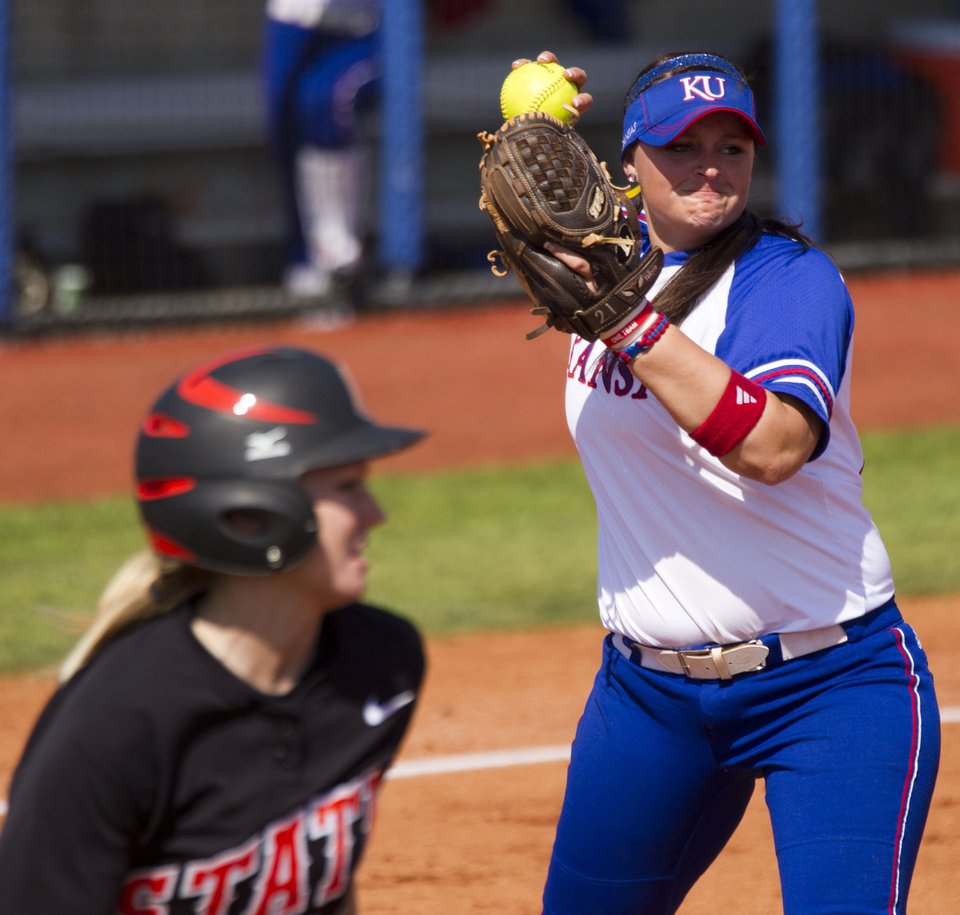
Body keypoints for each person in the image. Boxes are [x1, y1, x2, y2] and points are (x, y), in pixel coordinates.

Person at [517, 51, 941, 914]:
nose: (710, 166)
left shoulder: (789, 278)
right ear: (629, 162)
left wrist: (628, 322)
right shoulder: (599, 263)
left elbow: (775, 445)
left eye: (732, 146)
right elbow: (533, 185)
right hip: (646, 700)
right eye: (681, 146)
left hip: (829, 686)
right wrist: (535, 127)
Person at [0, 345, 426, 914]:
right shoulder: (116, 724)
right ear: (250, 513)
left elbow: (321, 887)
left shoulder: (381, 663)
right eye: (347, 487)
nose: (375, 514)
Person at [263, 1, 380, 302]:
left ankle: (339, 251)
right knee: (283, 126)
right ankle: (307, 258)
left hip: (364, 27)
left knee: (324, 100)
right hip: (292, 20)